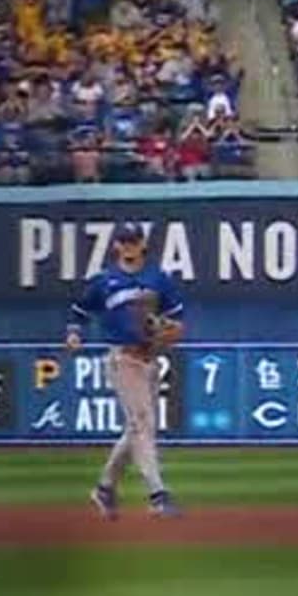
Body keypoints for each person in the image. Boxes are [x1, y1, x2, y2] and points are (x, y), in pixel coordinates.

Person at [67, 221, 187, 519]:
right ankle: (158, 495)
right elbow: (79, 311)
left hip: (149, 359)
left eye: (134, 240)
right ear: (117, 245)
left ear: (142, 244)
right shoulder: (105, 281)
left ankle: (105, 488)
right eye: (124, 241)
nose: (129, 245)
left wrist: (165, 330)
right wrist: (74, 333)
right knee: (143, 424)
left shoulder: (158, 278)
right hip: (122, 358)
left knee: (136, 428)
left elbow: (178, 322)